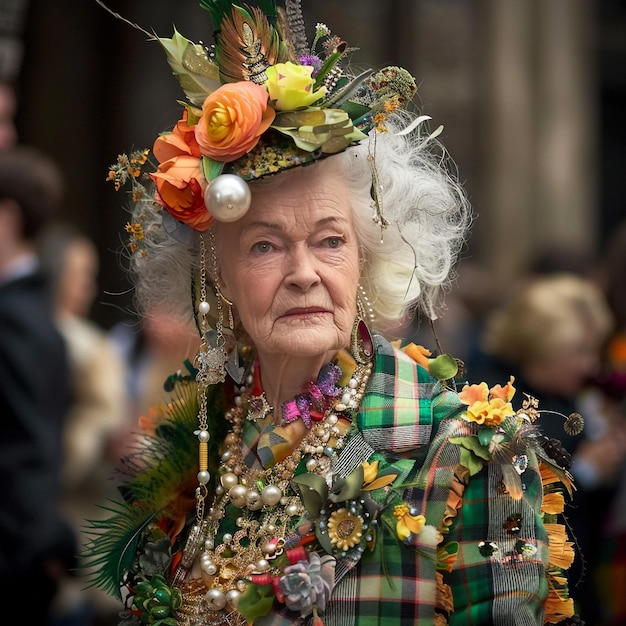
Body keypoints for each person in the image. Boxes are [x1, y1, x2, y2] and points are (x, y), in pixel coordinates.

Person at [85, 2, 582, 624]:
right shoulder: (197, 452)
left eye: (329, 240)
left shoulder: (466, 448)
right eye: (265, 245)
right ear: (217, 278)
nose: (303, 272)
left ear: (367, 258)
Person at [465, 272, 626, 623]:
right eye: (580, 351)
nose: (590, 365)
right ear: (540, 350)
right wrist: (584, 472)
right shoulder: (495, 405)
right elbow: (508, 508)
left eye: (593, 350)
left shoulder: (565, 394)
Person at [37, 223, 127, 626]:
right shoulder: (89, 349)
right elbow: (98, 430)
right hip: (67, 523)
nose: (88, 288)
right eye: (81, 277)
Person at [0, 146, 76, 622]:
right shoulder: (30, 312)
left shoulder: (14, 317)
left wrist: (36, 544)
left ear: (7, 218)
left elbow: (28, 447)